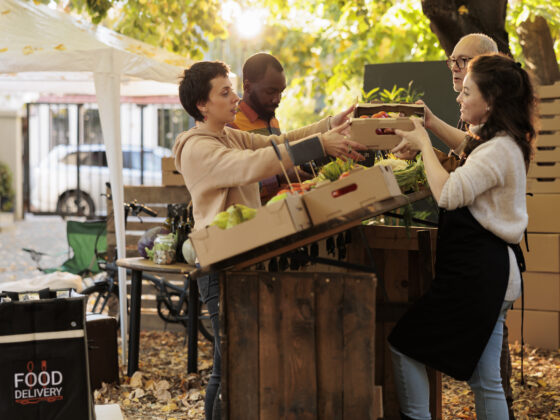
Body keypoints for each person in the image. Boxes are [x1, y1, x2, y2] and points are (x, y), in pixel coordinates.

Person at [172, 60, 366, 420]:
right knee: (227, 368)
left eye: (232, 90)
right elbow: (253, 165)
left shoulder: (227, 135)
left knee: (233, 363)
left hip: (241, 257)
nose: (234, 99)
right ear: (202, 104)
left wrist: (328, 125)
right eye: (225, 93)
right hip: (220, 264)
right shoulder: (197, 147)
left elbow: (278, 142)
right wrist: (320, 144)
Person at [388, 53, 536, 420]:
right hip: (493, 275)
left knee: (405, 344)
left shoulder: (498, 150)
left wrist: (424, 146)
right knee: (486, 382)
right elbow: (468, 149)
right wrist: (432, 124)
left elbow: (449, 193)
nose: (459, 97)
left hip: (479, 276)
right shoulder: (502, 142)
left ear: (490, 101)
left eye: (466, 92)